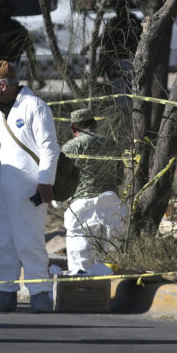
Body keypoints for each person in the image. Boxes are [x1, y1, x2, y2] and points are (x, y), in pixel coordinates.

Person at [0, 60, 58, 313]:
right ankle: (4, 291)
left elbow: (49, 147)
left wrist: (46, 181)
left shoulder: (35, 106)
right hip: (1, 189)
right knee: (3, 241)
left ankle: (40, 293)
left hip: (27, 189)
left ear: (2, 85)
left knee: (29, 241)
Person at [58, 109, 126, 272]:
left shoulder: (70, 148)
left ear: (73, 128)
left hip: (82, 210)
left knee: (80, 265)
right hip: (112, 207)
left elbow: (61, 183)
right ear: (95, 124)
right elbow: (119, 178)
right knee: (109, 264)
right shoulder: (112, 144)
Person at [0, 0, 36, 81]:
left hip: (13, 62)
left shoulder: (16, 27)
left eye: (6, 9)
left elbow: (28, 44)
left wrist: (31, 57)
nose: (4, 12)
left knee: (11, 85)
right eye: (2, 10)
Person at [97, 0, 142, 96]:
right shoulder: (116, 22)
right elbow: (103, 39)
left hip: (126, 60)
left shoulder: (132, 22)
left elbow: (103, 40)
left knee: (125, 91)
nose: (117, 10)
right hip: (119, 60)